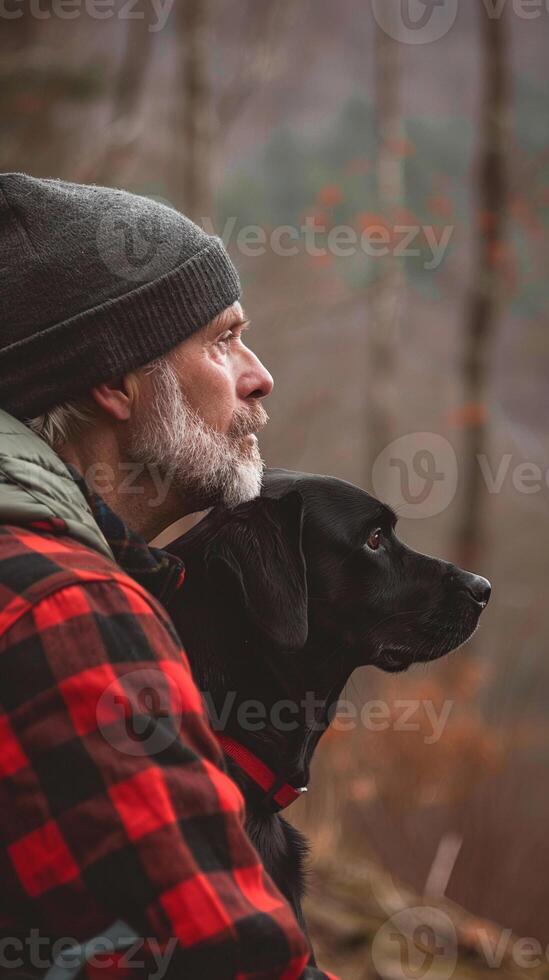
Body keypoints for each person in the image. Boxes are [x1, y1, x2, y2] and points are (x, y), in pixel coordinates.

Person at [0, 173, 337, 979]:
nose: (257, 377)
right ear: (114, 381)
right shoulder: (64, 605)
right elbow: (228, 956)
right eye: (222, 341)